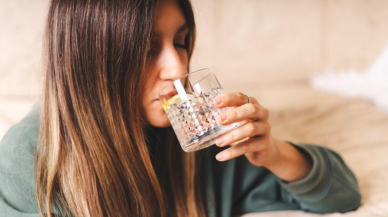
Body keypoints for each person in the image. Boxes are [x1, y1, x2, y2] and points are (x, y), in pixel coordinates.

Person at [0, 0, 361, 216]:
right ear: (90, 60)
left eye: (181, 41)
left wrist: (274, 153)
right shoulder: (28, 160)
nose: (178, 69)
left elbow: (343, 194)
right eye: (146, 49)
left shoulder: (200, 138)